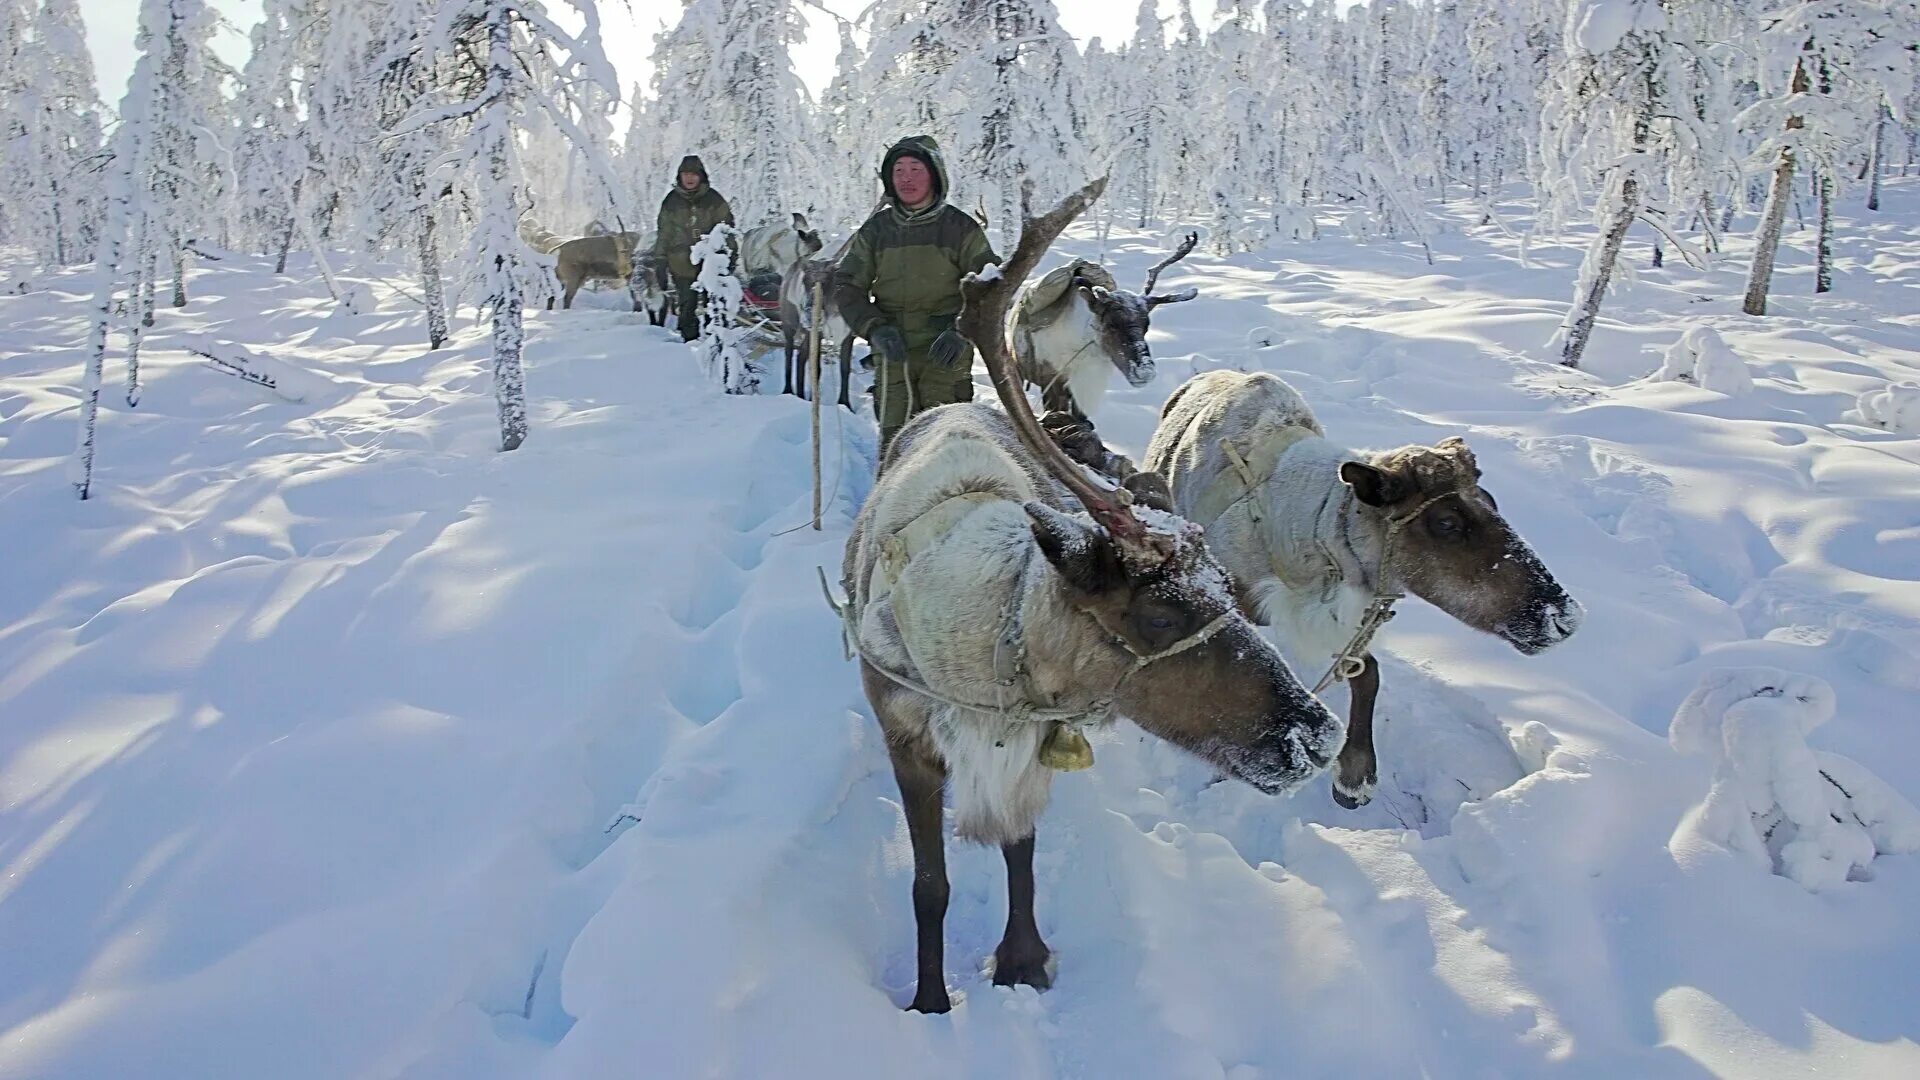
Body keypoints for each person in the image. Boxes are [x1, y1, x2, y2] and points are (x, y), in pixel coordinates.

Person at [834, 135, 999, 452]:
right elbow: (847, 285)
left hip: (945, 351)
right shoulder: (876, 231)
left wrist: (962, 330)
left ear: (935, 174)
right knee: (896, 442)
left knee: (946, 442)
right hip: (893, 350)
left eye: (916, 169)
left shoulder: (960, 229)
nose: (906, 178)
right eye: (898, 170)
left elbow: (991, 288)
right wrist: (875, 328)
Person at [655, 155, 736, 342]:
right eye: (685, 174)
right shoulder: (671, 201)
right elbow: (664, 232)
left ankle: (713, 343)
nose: (689, 178)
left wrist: (729, 257)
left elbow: (726, 229)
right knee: (687, 306)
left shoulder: (714, 200)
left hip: (710, 263)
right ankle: (688, 344)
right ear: (680, 176)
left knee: (713, 306)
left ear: (701, 176)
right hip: (680, 264)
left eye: (693, 174)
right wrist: (659, 260)